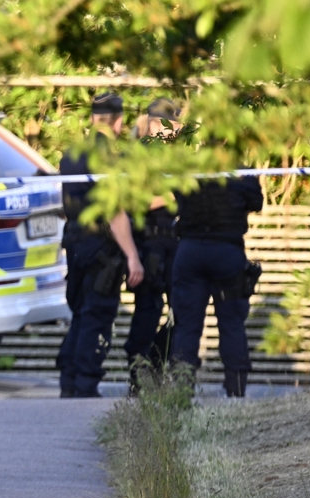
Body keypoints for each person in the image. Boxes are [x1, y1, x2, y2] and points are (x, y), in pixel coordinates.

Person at [56, 92, 144, 398]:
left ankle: (69, 380)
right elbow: (116, 212)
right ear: (118, 122)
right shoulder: (109, 158)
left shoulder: (70, 154)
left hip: (74, 242)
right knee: (97, 315)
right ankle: (85, 384)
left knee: (80, 313)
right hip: (100, 248)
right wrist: (133, 256)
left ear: (93, 118)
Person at [169, 169, 264, 397]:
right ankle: (236, 388)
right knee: (231, 323)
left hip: (190, 251)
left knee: (187, 324)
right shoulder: (241, 171)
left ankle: (182, 388)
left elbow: (177, 198)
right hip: (226, 251)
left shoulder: (190, 168)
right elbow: (257, 202)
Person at [124, 98, 183, 391]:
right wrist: (171, 197)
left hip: (173, 242)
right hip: (149, 242)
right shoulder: (137, 156)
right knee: (148, 310)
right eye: (174, 124)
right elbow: (130, 202)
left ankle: (155, 362)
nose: (179, 131)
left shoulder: (173, 157)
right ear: (157, 124)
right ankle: (138, 373)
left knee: (182, 312)